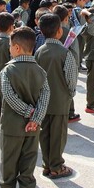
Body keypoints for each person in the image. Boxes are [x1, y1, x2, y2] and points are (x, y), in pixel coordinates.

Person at [0, 26, 50, 188]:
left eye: (10, 46)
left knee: (9, 157)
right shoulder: (40, 71)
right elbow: (45, 96)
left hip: (12, 125)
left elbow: (9, 96)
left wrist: (28, 113)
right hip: (33, 127)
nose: (9, 49)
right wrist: (35, 118)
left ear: (17, 48)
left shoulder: (7, 71)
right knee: (29, 157)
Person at [35, 13, 77, 178]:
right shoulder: (64, 52)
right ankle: (57, 166)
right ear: (59, 31)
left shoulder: (38, 51)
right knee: (58, 135)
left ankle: (47, 164)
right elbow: (71, 78)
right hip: (60, 100)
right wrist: (70, 94)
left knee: (44, 133)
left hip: (42, 101)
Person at [0, 12, 14, 134]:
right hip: (6, 81)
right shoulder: (10, 44)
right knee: (6, 108)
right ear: (11, 27)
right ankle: (5, 130)